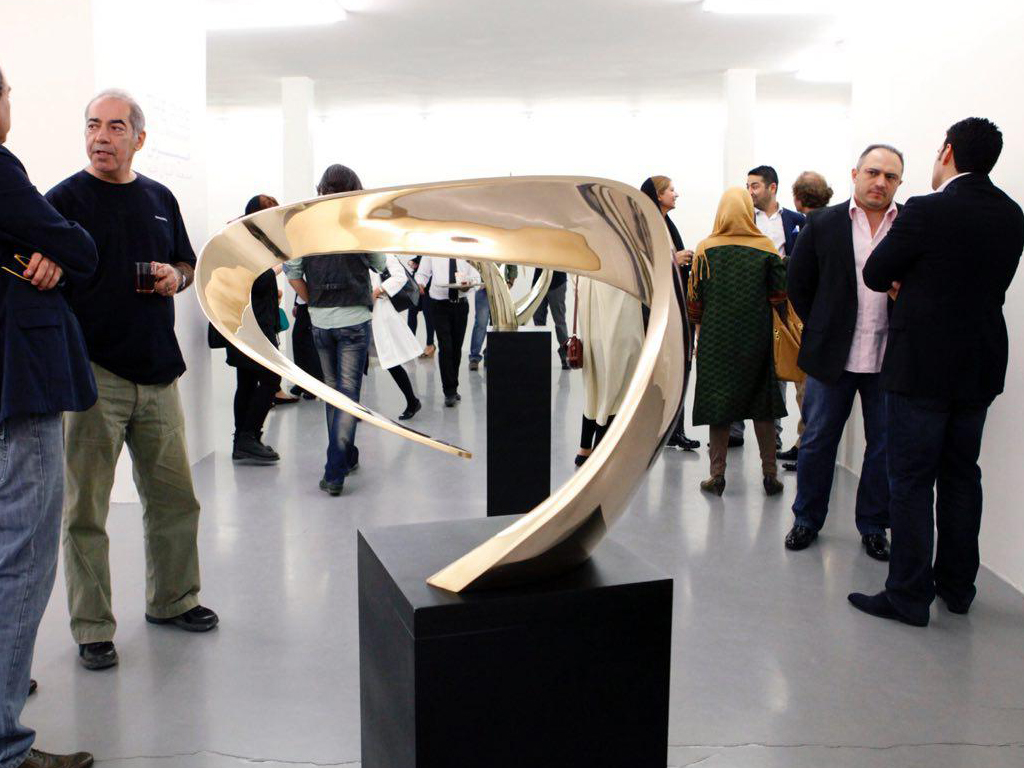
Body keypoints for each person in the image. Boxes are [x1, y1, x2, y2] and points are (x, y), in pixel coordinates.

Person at [46, 89, 218, 672]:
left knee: (175, 500)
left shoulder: (160, 198)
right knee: (85, 511)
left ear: (138, 138)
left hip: (159, 374)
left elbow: (188, 263)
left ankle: (174, 599)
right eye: (93, 125)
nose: (101, 137)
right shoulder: (62, 201)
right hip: (94, 377)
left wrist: (178, 275)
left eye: (115, 127)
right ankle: (93, 626)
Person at [849, 118, 1024, 627]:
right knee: (962, 475)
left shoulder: (927, 210)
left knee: (910, 478)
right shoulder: (1012, 214)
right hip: (980, 363)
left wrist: (910, 283)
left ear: (947, 152)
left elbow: (876, 273)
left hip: (922, 366)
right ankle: (957, 587)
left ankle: (907, 595)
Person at [0, 64, 97, 768]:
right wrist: (58, 256)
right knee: (23, 562)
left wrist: (44, 259)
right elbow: (79, 247)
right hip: (20, 384)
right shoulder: (3, 168)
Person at [784, 144, 905, 562]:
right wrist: (823, 325)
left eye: (890, 176)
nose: (880, 182)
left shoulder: (909, 224)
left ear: (899, 182)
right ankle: (806, 519)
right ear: (855, 174)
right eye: (873, 172)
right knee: (818, 440)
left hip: (889, 357)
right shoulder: (823, 223)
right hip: (831, 356)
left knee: (883, 446)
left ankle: (873, 526)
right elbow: (798, 284)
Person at [284, 164, 386, 497]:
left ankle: (346, 454)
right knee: (348, 395)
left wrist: (314, 300)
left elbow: (292, 272)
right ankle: (334, 471)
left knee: (332, 393)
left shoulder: (305, 224)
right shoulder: (359, 223)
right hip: (354, 319)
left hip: (320, 321)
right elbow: (380, 263)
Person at [687, 188, 787, 496]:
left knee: (719, 408)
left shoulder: (705, 249)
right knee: (762, 407)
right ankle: (770, 475)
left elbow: (694, 304)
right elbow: (779, 295)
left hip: (715, 341)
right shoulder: (766, 248)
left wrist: (700, 331)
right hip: (756, 340)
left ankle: (716, 476)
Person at [742, 165, 807, 450]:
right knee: (757, 371)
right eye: (747, 186)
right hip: (753, 305)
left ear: (772, 188)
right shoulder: (745, 219)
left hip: (787, 307)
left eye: (755, 186)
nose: (750, 192)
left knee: (787, 367)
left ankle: (791, 440)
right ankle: (766, 440)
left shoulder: (796, 220)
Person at [779, 171, 835, 469]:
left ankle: (806, 450)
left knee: (809, 392)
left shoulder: (812, 227)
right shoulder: (839, 224)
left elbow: (798, 279)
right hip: (829, 322)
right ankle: (803, 445)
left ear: (798, 198)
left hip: (810, 324)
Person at [640, 175, 698, 451]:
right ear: (658, 195)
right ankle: (660, 429)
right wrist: (674, 259)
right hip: (656, 310)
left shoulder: (665, 224)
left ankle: (674, 430)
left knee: (675, 367)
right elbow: (643, 265)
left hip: (672, 307)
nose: (676, 194)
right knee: (661, 370)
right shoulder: (648, 226)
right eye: (671, 190)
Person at [225, 195, 283, 464]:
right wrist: (276, 268)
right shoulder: (243, 244)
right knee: (271, 379)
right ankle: (248, 437)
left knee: (247, 382)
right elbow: (254, 282)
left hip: (248, 326)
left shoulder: (245, 241)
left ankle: (243, 441)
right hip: (251, 328)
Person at [575, 277, 644, 466]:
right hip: (616, 300)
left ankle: (585, 448)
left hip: (591, 302)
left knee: (595, 383)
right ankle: (601, 451)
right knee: (617, 380)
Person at [415, 256, 481, 406]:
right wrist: (419, 283)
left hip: (461, 305)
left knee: (456, 348)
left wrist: (469, 285)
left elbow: (476, 276)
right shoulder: (433, 249)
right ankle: (449, 391)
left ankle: (453, 386)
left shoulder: (467, 250)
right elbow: (422, 274)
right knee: (445, 347)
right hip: (439, 305)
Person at [371, 254, 423, 420]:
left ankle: (412, 401)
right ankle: (353, 408)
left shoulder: (383, 254)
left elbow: (400, 277)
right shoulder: (352, 254)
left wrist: (378, 291)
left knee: (391, 361)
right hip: (357, 312)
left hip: (380, 312)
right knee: (355, 362)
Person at [531, 268, 569, 370]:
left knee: (559, 321)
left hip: (557, 282)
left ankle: (565, 357)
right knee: (538, 321)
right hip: (539, 282)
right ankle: (541, 356)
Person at [405, 255, 436, 358]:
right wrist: (413, 261)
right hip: (417, 283)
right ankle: (411, 344)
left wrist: (416, 262)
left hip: (430, 284)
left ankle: (430, 345)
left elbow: (427, 257)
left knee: (429, 315)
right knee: (412, 313)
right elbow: (420, 256)